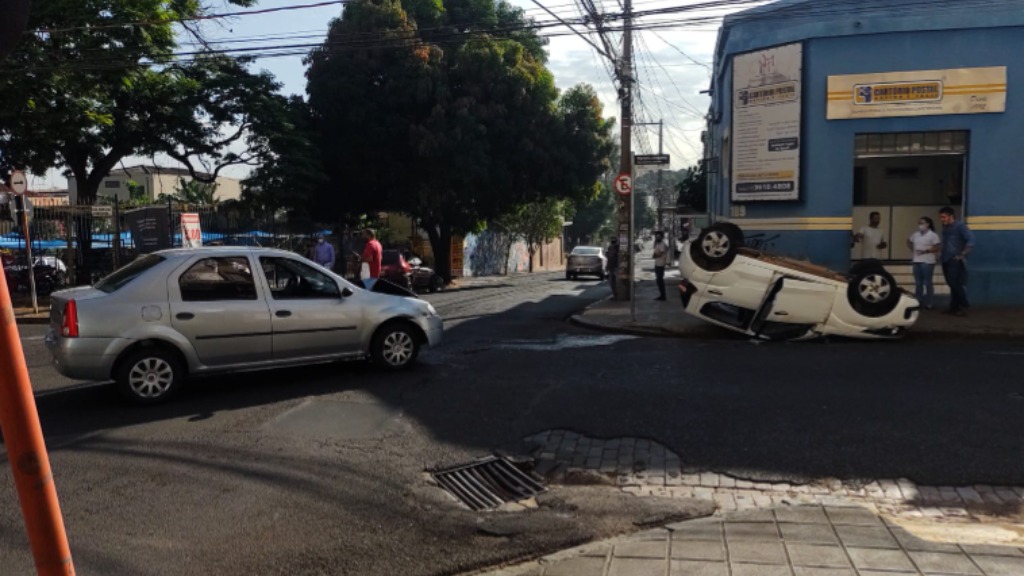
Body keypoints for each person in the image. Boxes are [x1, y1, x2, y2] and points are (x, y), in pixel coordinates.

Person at [939, 206, 975, 316]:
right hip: (945, 258)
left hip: (954, 259)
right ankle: (954, 307)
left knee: (954, 282)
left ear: (951, 216)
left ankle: (964, 304)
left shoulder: (960, 226)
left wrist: (962, 254)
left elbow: (971, 240)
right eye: (941, 217)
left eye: (944, 217)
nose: (942, 219)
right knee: (951, 283)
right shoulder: (945, 228)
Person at [906, 216, 940, 309]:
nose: (920, 225)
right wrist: (912, 250)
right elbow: (908, 241)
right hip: (916, 261)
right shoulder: (916, 234)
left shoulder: (933, 235)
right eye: (919, 223)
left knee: (927, 282)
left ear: (928, 224)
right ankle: (918, 301)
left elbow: (937, 247)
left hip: (927, 262)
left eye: (922, 223)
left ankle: (929, 302)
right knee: (918, 283)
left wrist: (926, 251)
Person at [651, 230, 669, 300]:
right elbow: (655, 251)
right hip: (657, 263)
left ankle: (663, 295)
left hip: (661, 264)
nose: (657, 237)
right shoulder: (657, 243)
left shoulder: (662, 244)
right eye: (656, 236)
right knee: (658, 280)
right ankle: (662, 295)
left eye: (659, 236)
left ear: (661, 237)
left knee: (660, 280)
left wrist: (655, 256)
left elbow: (661, 253)